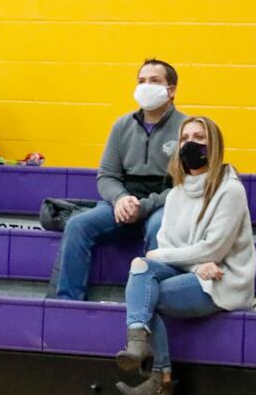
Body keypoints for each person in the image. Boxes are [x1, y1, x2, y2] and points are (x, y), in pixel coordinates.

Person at [115, 116, 255, 395]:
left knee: (148, 294)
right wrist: (193, 265)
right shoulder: (177, 192)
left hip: (223, 279)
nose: (191, 143)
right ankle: (138, 339)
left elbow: (213, 249)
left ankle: (159, 377)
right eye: (185, 137)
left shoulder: (230, 190)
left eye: (200, 138)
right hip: (195, 271)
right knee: (141, 266)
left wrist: (166, 257)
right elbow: (168, 243)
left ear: (213, 146)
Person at [50, 59, 184, 300]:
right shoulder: (122, 126)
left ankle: (153, 302)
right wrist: (121, 198)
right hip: (124, 200)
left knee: (158, 228)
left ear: (171, 89)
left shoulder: (187, 128)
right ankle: (66, 302)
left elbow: (184, 185)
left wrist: (143, 207)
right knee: (78, 225)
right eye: (142, 81)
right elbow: (107, 175)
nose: (146, 86)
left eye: (154, 81)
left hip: (163, 202)